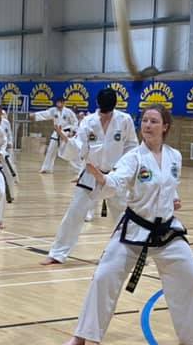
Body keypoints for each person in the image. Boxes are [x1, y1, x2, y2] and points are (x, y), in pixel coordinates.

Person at [60, 105, 193, 345]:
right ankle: (83, 334)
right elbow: (118, 180)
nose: (147, 125)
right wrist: (103, 179)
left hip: (167, 231)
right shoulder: (133, 157)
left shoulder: (174, 156)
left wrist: (173, 198)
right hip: (136, 228)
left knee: (192, 277)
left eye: (154, 121)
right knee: (104, 276)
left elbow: (169, 184)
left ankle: (191, 336)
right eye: (145, 120)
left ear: (165, 127)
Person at [41, 87, 138, 265]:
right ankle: (57, 253)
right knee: (74, 213)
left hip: (116, 175)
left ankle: (134, 253)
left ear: (114, 106)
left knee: (124, 216)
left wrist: (127, 172)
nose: (106, 115)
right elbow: (79, 147)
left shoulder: (125, 120)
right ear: (98, 105)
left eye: (109, 111)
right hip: (91, 174)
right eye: (103, 110)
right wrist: (66, 139)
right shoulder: (88, 121)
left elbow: (132, 147)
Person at [36, 99, 79, 174]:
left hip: (65, 133)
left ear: (63, 103)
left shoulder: (69, 112)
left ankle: (78, 168)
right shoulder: (53, 110)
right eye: (57, 102)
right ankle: (46, 168)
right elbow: (45, 114)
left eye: (60, 103)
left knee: (69, 151)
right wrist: (35, 115)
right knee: (50, 150)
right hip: (56, 133)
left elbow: (75, 122)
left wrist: (72, 131)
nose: (58, 104)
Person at [0, 105, 18, 200]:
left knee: (8, 173)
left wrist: (10, 143)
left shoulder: (6, 122)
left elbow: (9, 134)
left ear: (1, 112)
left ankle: (10, 195)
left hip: (6, 151)